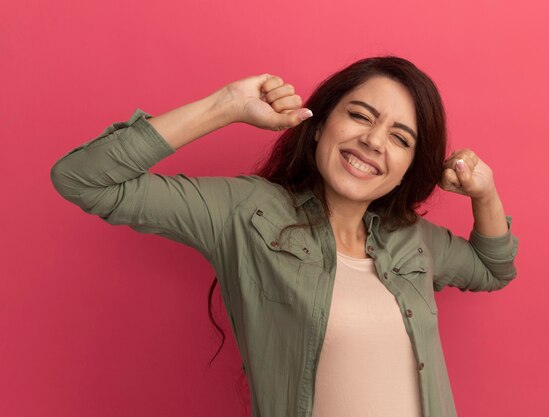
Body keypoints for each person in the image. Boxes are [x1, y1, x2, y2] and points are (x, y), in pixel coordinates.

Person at [50, 56, 519, 417]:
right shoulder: (246, 212)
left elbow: (493, 268)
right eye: (360, 115)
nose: (375, 141)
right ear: (318, 128)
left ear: (407, 171)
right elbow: (83, 179)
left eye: (400, 138)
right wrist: (226, 104)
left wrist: (485, 193)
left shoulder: (413, 239)